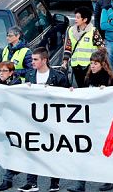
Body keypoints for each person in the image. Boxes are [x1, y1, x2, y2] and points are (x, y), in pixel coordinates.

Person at [21, 48, 69, 192]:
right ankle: (31, 182)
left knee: (53, 150)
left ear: (44, 60)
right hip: (33, 119)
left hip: (53, 119)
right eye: (32, 59)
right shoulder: (29, 75)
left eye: (35, 59)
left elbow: (68, 98)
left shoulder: (58, 77)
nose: (32, 62)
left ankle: (54, 183)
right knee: (32, 149)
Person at [68, 50, 113, 192]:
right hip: (89, 120)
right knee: (85, 150)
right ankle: (80, 184)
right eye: (91, 63)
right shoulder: (88, 77)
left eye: (95, 63)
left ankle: (110, 180)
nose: (92, 66)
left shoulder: (110, 79)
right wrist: (74, 92)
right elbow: (84, 94)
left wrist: (107, 91)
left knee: (104, 152)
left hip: (103, 122)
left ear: (102, 64)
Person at [0, 61, 24, 191]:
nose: (1, 73)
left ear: (11, 72)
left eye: (4, 71)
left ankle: (8, 178)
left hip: (15, 122)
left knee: (12, 149)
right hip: (2, 121)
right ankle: (14, 170)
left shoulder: (16, 85)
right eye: (0, 71)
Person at [62, 6, 103, 87]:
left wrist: (99, 64)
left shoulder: (93, 31)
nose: (75, 19)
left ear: (85, 19)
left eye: (78, 17)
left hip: (90, 66)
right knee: (80, 87)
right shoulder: (70, 30)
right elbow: (68, 47)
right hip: (75, 65)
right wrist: (65, 61)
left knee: (89, 87)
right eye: (75, 17)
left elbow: (101, 48)